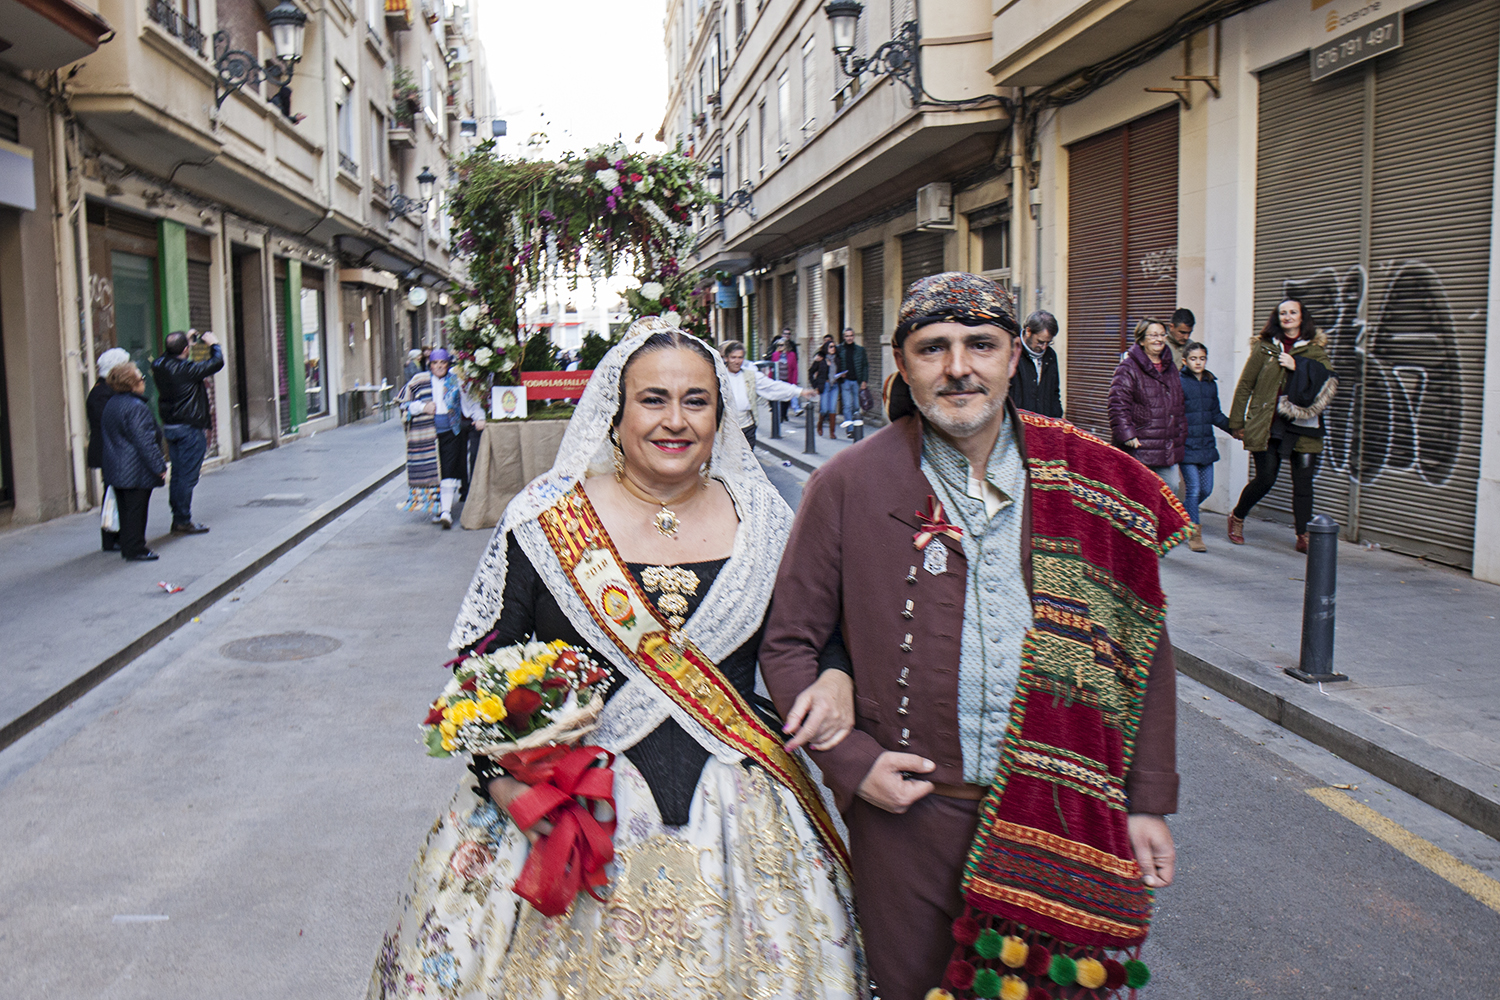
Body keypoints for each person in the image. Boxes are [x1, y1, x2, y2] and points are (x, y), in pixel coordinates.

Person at [367, 318, 865, 999]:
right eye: (652, 399)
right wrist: (508, 788)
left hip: (743, 814)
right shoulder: (547, 520)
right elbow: (478, 676)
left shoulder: (765, 518)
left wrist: (835, 674)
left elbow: (811, 636)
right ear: (616, 411)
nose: (675, 420)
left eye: (696, 401)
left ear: (720, 416)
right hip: (575, 813)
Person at [759, 272, 1185, 1000]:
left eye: (981, 345)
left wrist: (1145, 802)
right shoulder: (848, 484)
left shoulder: (1094, 484)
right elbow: (791, 642)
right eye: (933, 348)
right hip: (908, 821)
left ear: (1014, 358)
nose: (959, 367)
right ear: (903, 365)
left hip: (1062, 813)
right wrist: (855, 764)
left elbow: (1141, 652)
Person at [1226, 298, 1338, 552]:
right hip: (1268, 424)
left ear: (1302, 317)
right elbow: (1245, 385)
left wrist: (1298, 366)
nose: (1287, 317)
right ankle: (1238, 516)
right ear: (1277, 318)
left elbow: (1328, 381)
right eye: (1283, 313)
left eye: (1293, 312)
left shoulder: (1315, 350)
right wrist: (1237, 422)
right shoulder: (1265, 348)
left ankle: (1303, 534)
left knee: (1303, 483)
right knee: (1265, 478)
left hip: (1303, 425)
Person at [397, 348, 486, 529]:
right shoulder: (419, 381)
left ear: (447, 364)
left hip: (450, 432)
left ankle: (446, 512)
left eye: (443, 363)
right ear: (430, 365)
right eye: (435, 363)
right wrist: (423, 407)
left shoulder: (456, 381)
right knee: (432, 471)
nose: (439, 366)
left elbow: (470, 402)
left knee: (448, 469)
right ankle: (438, 507)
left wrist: (479, 417)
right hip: (427, 434)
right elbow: (403, 403)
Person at [150, 328, 224, 535]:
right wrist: (214, 344)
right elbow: (217, 362)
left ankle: (178, 517)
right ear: (184, 350)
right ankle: (182, 519)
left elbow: (167, 356)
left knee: (178, 475)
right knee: (187, 477)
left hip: (171, 427)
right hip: (189, 428)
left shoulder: (159, 366)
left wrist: (186, 343)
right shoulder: (187, 369)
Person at [1109, 318, 1187, 497]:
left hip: (1166, 445)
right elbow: (1117, 403)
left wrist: (1181, 434)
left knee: (1171, 489)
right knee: (1140, 494)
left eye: (1162, 335)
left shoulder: (1171, 367)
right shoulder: (1128, 367)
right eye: (1153, 335)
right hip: (1140, 445)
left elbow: (1179, 403)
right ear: (1142, 340)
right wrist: (1127, 434)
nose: (1158, 339)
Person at [100, 363, 168, 562]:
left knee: (126, 511)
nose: (143, 382)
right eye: (141, 379)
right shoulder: (136, 407)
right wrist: (159, 466)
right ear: (131, 383)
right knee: (137, 511)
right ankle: (136, 548)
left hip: (117, 467)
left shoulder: (112, 404)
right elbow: (145, 441)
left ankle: (129, 546)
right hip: (135, 469)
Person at [1179, 341, 1233, 552]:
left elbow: (1215, 414)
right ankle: (1194, 535)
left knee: (1206, 489)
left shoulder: (1210, 383)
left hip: (1206, 444)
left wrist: (1235, 430)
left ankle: (1179, 516)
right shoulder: (1179, 382)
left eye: (1202, 358)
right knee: (1193, 489)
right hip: (1186, 445)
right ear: (1185, 361)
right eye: (1193, 359)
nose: (1198, 362)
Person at [718, 339, 810, 449]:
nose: (737, 361)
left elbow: (771, 386)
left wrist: (799, 391)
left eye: (740, 357)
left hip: (747, 426)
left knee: (746, 458)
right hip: (726, 427)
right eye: (733, 357)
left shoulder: (750, 375)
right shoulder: (718, 377)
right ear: (726, 358)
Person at [88, 347, 132, 552]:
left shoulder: (107, 391)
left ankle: (118, 534)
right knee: (112, 493)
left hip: (112, 449)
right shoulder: (101, 394)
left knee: (117, 492)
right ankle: (111, 536)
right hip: (109, 450)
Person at [1007, 310, 1063, 417]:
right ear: (1028, 331)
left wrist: (1057, 419)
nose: (1044, 347)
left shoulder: (1051, 356)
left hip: (1043, 423)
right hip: (1016, 422)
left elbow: (1054, 393)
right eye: (1040, 342)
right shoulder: (1011, 352)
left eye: (1048, 342)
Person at [834, 327, 869, 438]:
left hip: (856, 381)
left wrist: (864, 380)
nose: (849, 338)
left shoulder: (860, 350)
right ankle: (850, 429)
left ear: (854, 336)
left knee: (856, 406)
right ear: (844, 337)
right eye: (847, 336)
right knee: (847, 405)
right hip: (845, 381)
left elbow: (865, 365)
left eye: (851, 336)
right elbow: (833, 361)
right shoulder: (839, 349)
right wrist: (839, 374)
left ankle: (856, 426)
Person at [810, 341, 842, 438]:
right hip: (825, 385)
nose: (833, 348)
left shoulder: (837, 359)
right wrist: (815, 385)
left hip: (835, 385)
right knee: (824, 409)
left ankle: (832, 432)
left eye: (834, 346)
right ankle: (820, 424)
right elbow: (811, 372)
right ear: (826, 348)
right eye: (830, 347)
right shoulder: (821, 359)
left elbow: (839, 371)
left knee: (832, 408)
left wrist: (841, 375)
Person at [769, 333, 799, 421]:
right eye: (778, 345)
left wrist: (794, 382)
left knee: (786, 398)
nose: (780, 347)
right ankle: (780, 415)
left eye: (781, 345)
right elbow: (772, 368)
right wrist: (770, 379)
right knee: (779, 398)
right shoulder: (775, 354)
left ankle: (784, 414)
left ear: (786, 346)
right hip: (778, 379)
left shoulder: (792, 355)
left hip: (787, 379)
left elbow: (794, 369)